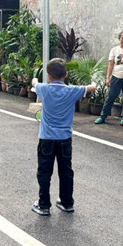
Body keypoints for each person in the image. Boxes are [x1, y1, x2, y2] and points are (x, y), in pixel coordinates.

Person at [31, 58, 96, 216]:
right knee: (66, 171)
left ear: (49, 75)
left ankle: (44, 205)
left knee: (44, 172)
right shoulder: (72, 91)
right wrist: (94, 82)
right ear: (65, 74)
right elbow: (92, 87)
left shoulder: (44, 89)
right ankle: (67, 203)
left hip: (47, 139)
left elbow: (34, 83)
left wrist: (35, 79)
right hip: (65, 139)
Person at [95, 31, 123, 126]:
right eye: (122, 38)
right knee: (110, 97)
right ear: (119, 39)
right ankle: (103, 116)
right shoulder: (114, 50)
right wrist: (108, 78)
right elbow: (111, 65)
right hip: (116, 77)